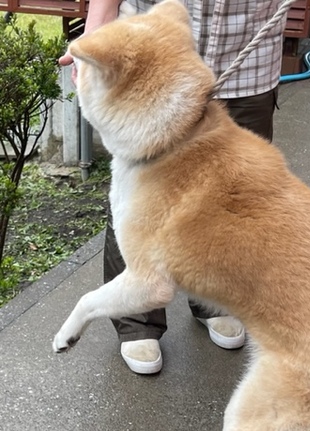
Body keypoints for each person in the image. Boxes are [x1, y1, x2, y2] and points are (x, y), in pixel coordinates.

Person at [59, 0, 288, 374]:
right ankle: (137, 321)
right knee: (138, 195)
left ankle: (213, 301)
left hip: (248, 56)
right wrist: (97, 30)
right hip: (152, 52)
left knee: (231, 203)